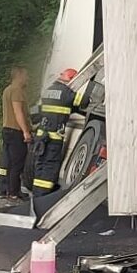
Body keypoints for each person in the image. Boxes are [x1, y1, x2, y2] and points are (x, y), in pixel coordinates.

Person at [29, 66, 86, 205]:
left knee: (40, 166)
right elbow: (84, 102)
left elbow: (35, 112)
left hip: (41, 136)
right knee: (50, 168)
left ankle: (35, 197)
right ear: (72, 80)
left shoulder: (48, 90)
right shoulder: (67, 93)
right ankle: (43, 200)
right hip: (53, 139)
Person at [0, 65, 32, 203]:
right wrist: (25, 131)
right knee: (17, 163)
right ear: (19, 76)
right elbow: (18, 112)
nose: (27, 78)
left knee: (9, 162)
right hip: (16, 130)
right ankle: (13, 192)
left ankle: (6, 189)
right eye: (25, 75)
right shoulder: (17, 91)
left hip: (6, 129)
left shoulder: (7, 90)